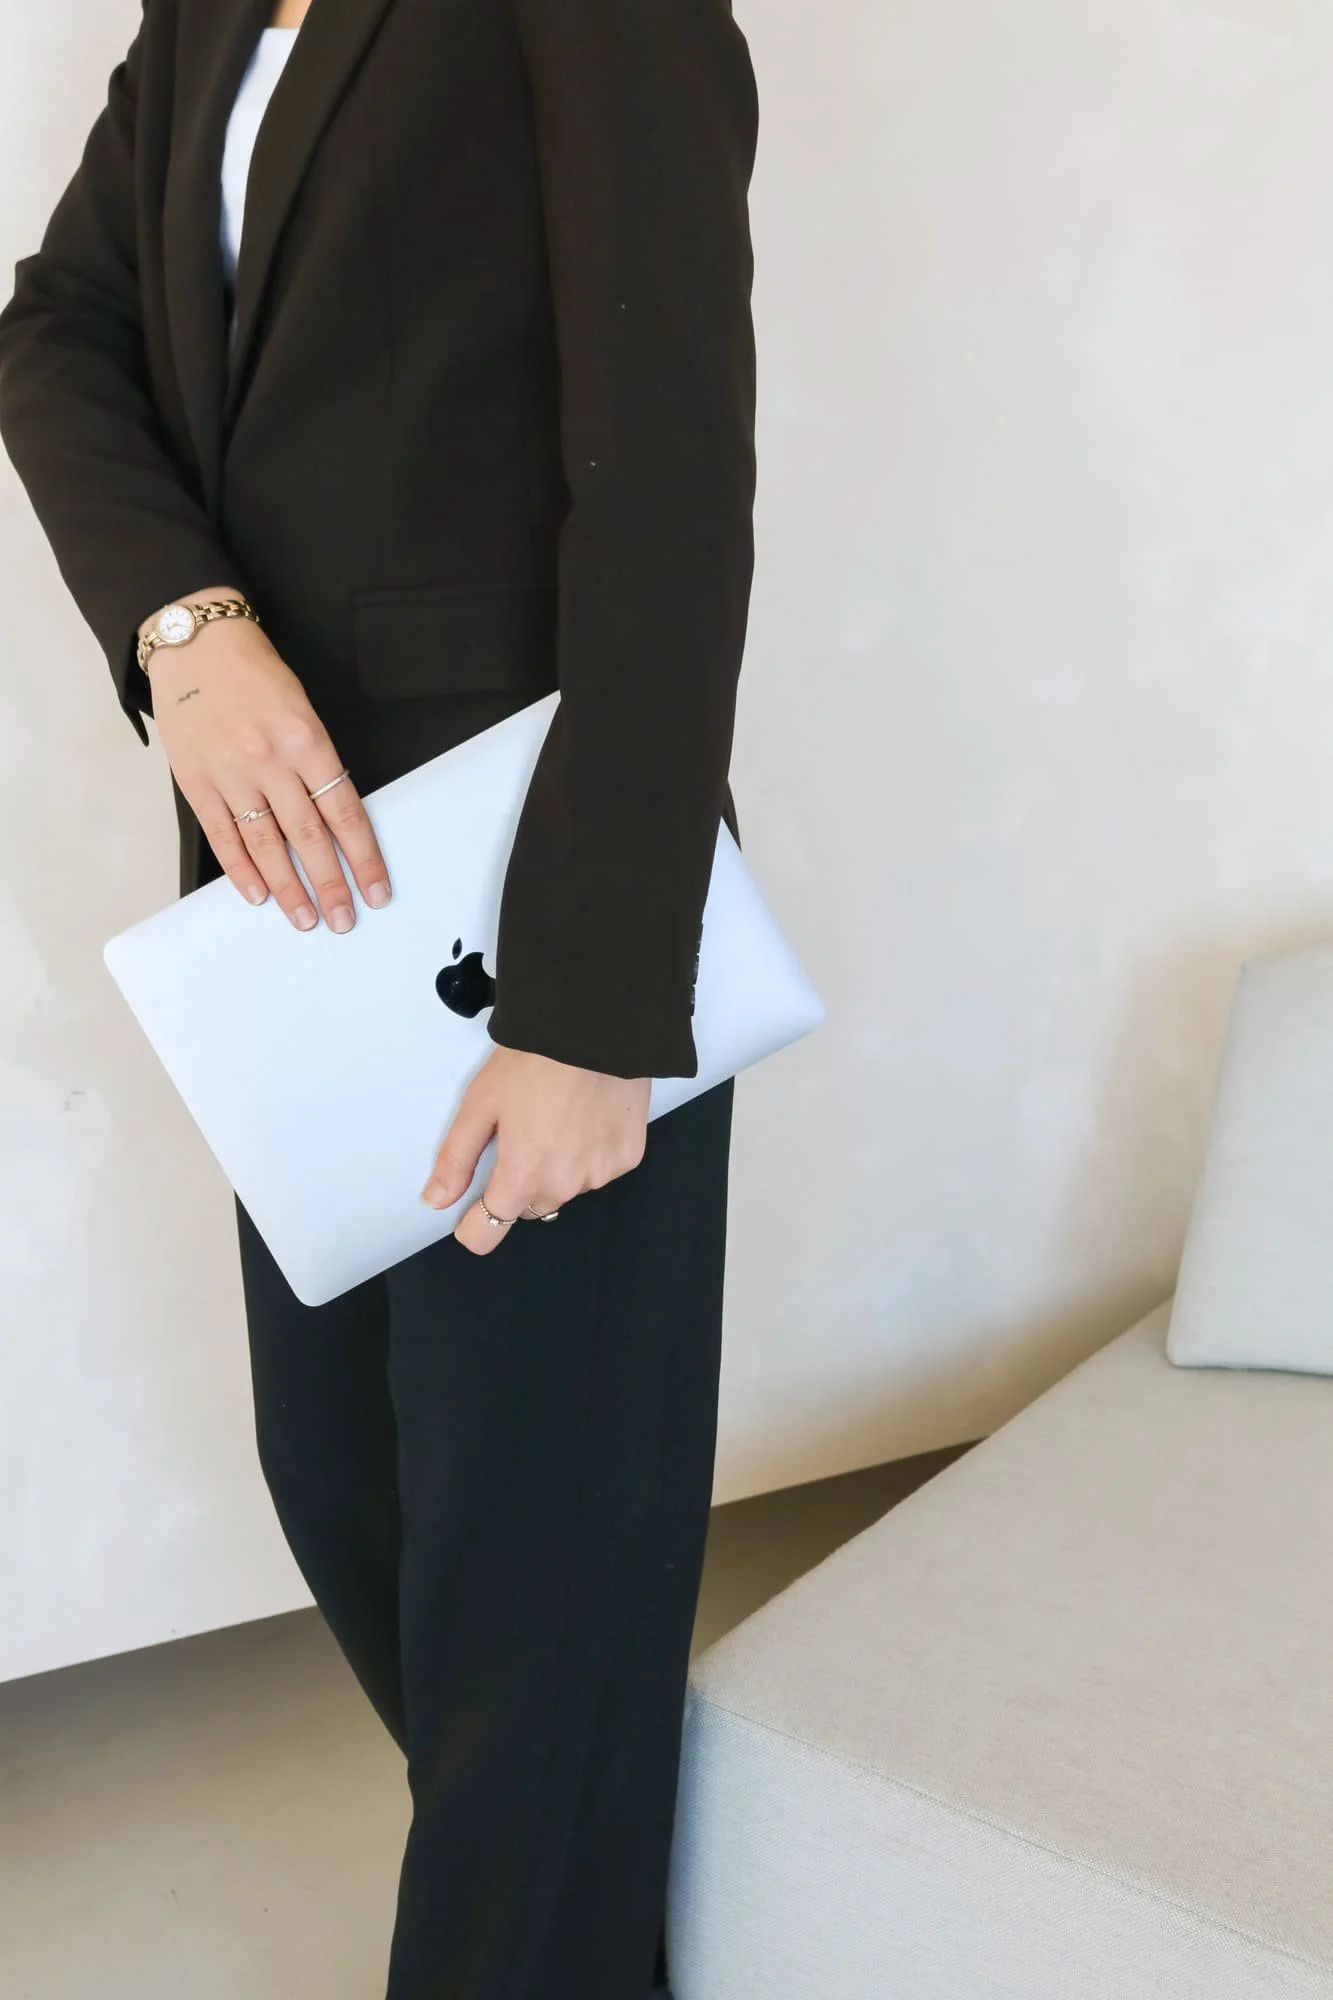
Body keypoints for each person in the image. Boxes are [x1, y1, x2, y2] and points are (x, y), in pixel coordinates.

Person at [0, 0, 760, 1993]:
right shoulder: (201, 16)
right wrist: (186, 626)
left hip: (542, 917)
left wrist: (600, 1008)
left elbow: (669, 481)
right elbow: (53, 331)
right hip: (302, 921)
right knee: (345, 1479)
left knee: (531, 1606)